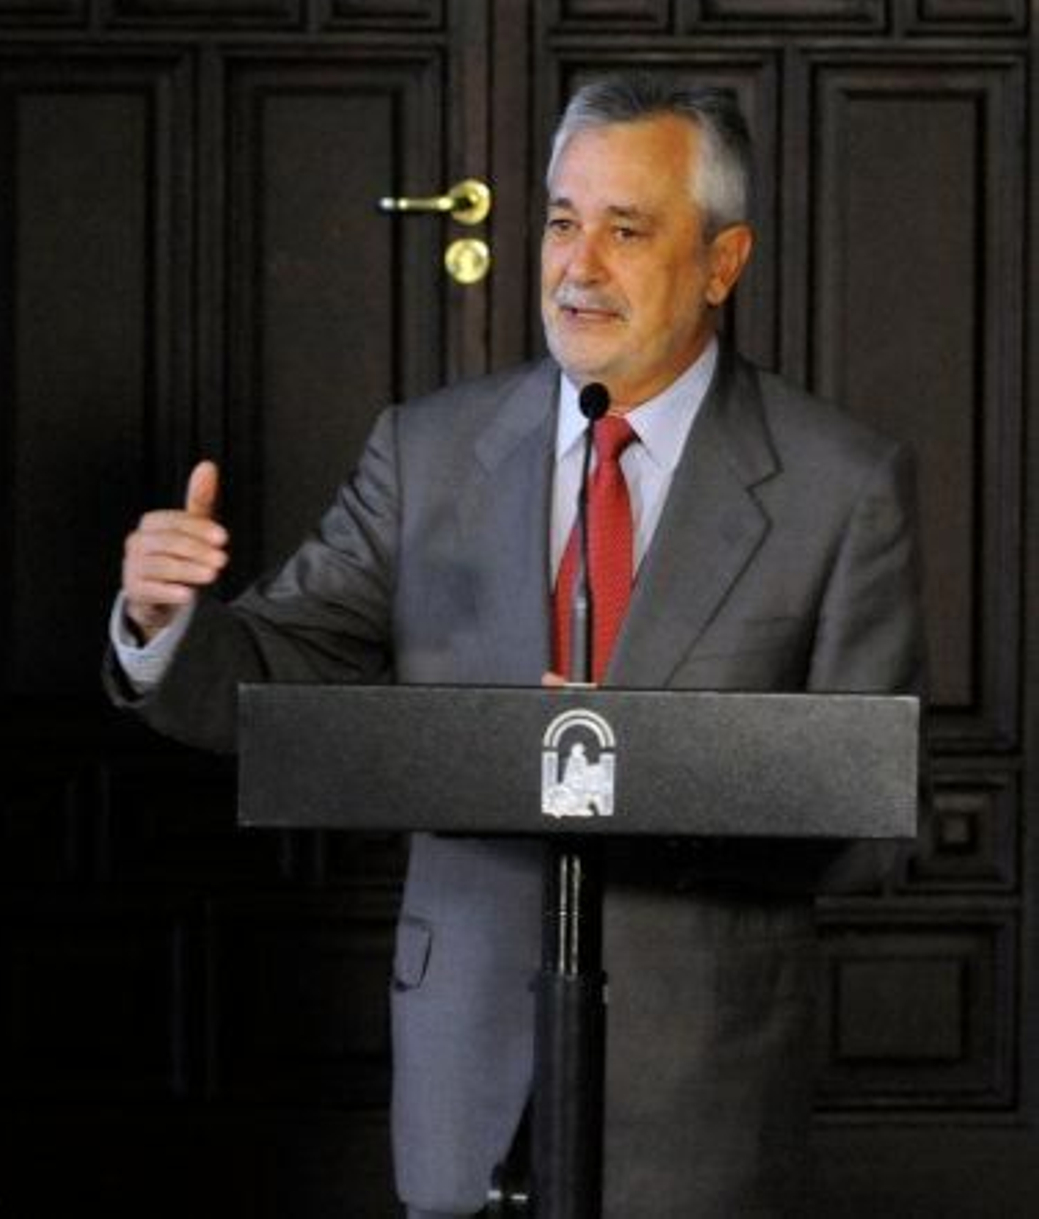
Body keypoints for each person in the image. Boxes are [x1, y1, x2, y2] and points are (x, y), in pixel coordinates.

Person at [107, 76, 924, 1217]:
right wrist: (163, 625)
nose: (577, 266)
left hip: (699, 1087)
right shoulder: (429, 451)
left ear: (721, 262)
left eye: (625, 230)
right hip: (467, 1060)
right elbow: (274, 672)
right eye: (560, 222)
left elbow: (870, 826)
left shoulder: (841, 485)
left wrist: (635, 775)